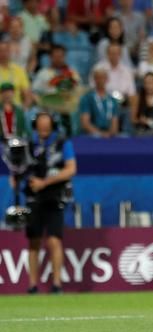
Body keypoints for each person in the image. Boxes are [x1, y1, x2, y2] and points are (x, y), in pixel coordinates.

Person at [11, 112, 77, 294]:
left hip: (55, 196)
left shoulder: (63, 143)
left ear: (53, 126)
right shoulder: (29, 145)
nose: (44, 129)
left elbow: (71, 169)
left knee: (54, 240)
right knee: (33, 241)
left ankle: (57, 284)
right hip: (34, 197)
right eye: (40, 125)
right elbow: (19, 168)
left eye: (47, 125)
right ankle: (32, 285)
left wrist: (45, 183)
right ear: (35, 126)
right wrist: (16, 178)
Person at [32, 44, 83, 116]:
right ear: (50, 57)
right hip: (49, 111)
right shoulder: (43, 73)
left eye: (61, 56)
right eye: (56, 57)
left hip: (69, 111)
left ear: (65, 57)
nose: (59, 59)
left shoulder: (72, 73)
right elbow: (34, 92)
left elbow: (79, 91)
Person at [78, 66, 120, 137]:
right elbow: (85, 123)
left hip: (109, 134)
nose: (100, 80)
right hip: (93, 134)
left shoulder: (112, 100)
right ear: (94, 79)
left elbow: (114, 123)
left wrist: (110, 134)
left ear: (107, 79)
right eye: (98, 78)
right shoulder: (87, 98)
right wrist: (100, 134)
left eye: (103, 77)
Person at [0, 40, 33, 108]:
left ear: (10, 52)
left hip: (16, 109)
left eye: (6, 50)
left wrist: (22, 112)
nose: (3, 53)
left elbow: (27, 95)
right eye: (1, 51)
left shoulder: (19, 70)